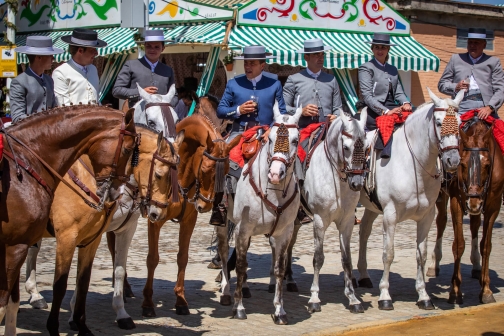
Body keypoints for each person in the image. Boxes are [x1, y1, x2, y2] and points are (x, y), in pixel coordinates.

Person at [210, 45, 287, 226]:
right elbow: (221, 110)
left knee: (289, 155)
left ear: (262, 65)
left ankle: (296, 207)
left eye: (252, 63)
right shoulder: (234, 83)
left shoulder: (274, 84)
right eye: (246, 63)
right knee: (221, 158)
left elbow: (282, 113)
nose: (248, 66)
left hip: (267, 133)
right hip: (240, 132)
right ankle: (219, 206)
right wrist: (238, 110)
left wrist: (272, 129)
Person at [283, 38, 343, 224]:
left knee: (347, 152)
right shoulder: (294, 79)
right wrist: (301, 111)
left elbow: (338, 107)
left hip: (327, 129)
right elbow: (283, 107)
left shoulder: (331, 79)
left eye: (322, 54)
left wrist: (335, 116)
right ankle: (299, 202)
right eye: (316, 55)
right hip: (304, 130)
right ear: (306, 57)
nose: (320, 58)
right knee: (297, 155)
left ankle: (346, 201)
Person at [358, 33, 412, 159]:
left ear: (388, 49)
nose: (380, 50)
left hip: (393, 105)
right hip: (373, 109)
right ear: (372, 49)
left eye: (383, 47)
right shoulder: (366, 68)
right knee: (387, 120)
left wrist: (405, 103)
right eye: (377, 47)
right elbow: (367, 96)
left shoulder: (392, 69)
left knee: (414, 117)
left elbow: (398, 91)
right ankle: (382, 152)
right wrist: (386, 111)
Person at [438, 28, 504, 118]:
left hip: (484, 107)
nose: (472, 45)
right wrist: (455, 86)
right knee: (446, 130)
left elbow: (500, 89)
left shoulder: (493, 62)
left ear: (484, 45)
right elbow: (442, 84)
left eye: (476, 42)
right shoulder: (456, 59)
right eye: (470, 42)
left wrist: (490, 107)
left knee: (499, 131)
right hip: (460, 107)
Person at [113, 29, 174, 108]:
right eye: (149, 46)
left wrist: (167, 106)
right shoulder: (131, 65)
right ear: (144, 46)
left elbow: (174, 95)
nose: (152, 50)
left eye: (156, 47)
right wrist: (140, 92)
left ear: (163, 48)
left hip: (161, 116)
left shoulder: (168, 70)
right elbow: (117, 90)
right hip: (137, 117)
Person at [10, 36, 64, 123]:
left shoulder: (49, 80)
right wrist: (44, 121)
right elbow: (17, 117)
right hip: (29, 135)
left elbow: (54, 108)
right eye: (50, 56)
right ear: (39, 57)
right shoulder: (19, 82)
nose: (53, 59)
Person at [52, 28, 107, 106]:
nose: (96, 53)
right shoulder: (61, 73)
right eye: (92, 50)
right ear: (80, 51)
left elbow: (96, 99)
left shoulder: (93, 69)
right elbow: (64, 107)